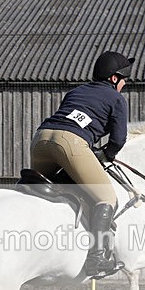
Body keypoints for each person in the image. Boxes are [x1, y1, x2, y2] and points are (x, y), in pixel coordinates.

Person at [30, 50, 134, 278]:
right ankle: (96, 259)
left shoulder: (76, 91)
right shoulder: (116, 98)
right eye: (124, 79)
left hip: (41, 138)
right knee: (106, 198)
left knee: (36, 191)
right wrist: (106, 155)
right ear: (114, 79)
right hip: (70, 143)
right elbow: (118, 139)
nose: (125, 84)